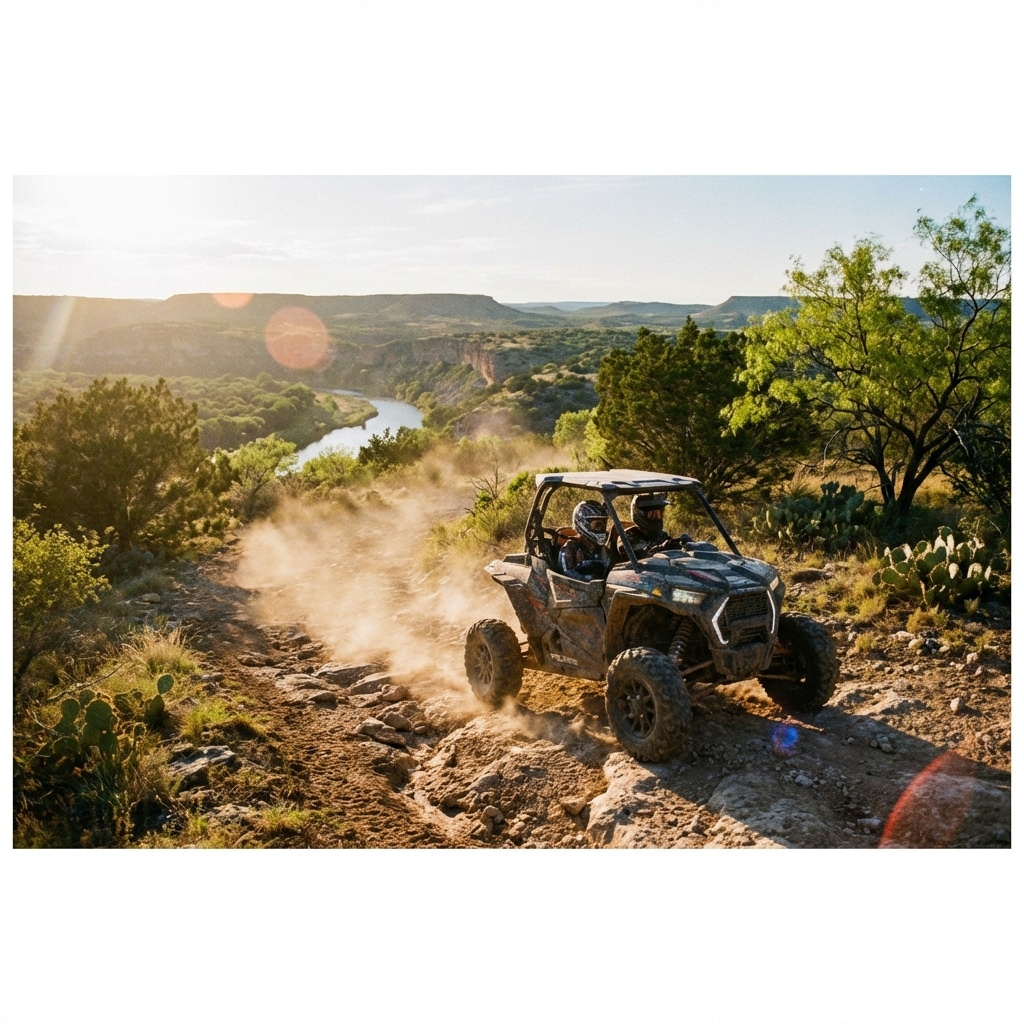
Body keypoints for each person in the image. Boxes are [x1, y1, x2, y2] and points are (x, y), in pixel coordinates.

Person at [618, 493, 691, 559]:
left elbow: (673, 551)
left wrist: (685, 544)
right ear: (640, 514)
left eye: (660, 513)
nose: (658, 517)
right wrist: (662, 548)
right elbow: (640, 559)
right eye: (653, 514)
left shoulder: (662, 535)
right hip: (640, 573)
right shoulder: (626, 537)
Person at [558, 500, 613, 582]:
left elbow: (613, 574)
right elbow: (568, 577)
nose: (600, 528)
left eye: (603, 524)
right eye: (596, 524)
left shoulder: (603, 551)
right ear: (583, 523)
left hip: (604, 592)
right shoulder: (570, 549)